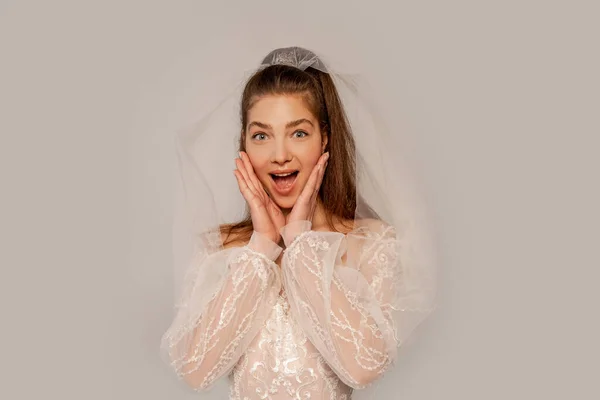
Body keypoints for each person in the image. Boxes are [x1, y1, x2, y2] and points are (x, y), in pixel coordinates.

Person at [160, 46, 438, 399]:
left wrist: (300, 241)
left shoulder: (370, 242)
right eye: (261, 135)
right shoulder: (224, 248)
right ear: (243, 143)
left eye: (298, 133)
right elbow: (195, 370)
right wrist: (262, 244)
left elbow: (364, 367)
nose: (279, 156)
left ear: (325, 138)